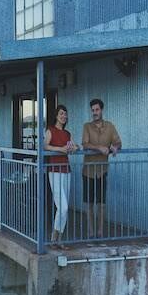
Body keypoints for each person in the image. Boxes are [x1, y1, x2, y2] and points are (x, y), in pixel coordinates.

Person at [82, 98, 121, 238]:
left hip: (102, 170)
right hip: (88, 171)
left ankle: (100, 231)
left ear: (102, 110)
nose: (95, 113)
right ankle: (90, 231)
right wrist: (99, 147)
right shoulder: (87, 126)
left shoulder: (110, 126)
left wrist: (114, 148)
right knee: (89, 203)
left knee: (102, 203)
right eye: (93, 110)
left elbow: (118, 142)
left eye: (97, 110)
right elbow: (85, 144)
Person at [44, 105, 78, 247]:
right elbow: (45, 146)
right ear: (56, 115)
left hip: (66, 171)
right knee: (62, 207)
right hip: (54, 171)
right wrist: (61, 149)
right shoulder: (50, 130)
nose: (64, 116)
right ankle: (53, 237)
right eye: (61, 113)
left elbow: (73, 146)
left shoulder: (67, 134)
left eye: (65, 114)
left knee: (64, 207)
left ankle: (59, 239)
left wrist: (74, 148)